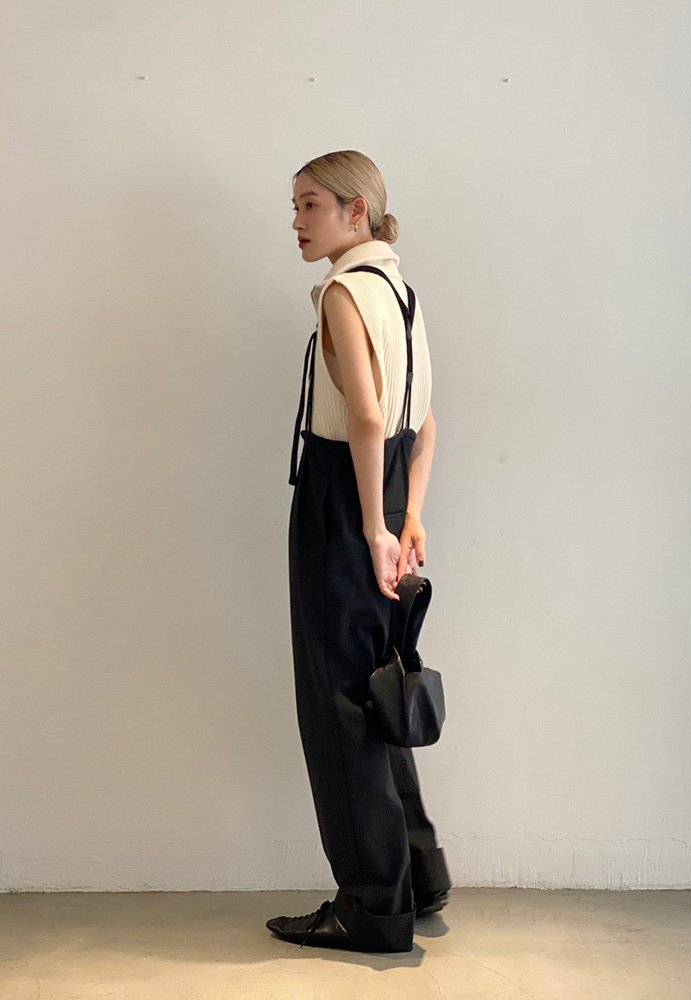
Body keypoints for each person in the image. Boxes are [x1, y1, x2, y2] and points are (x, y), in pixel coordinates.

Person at [266, 150, 451, 954]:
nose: (297, 221)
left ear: (356, 211)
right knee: (378, 687)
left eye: (310, 204)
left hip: (345, 501)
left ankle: (373, 906)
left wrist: (373, 526)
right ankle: (418, 874)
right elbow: (426, 421)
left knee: (339, 702)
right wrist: (410, 518)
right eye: (295, 206)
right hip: (388, 493)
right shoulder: (400, 292)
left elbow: (369, 417)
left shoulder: (346, 291)